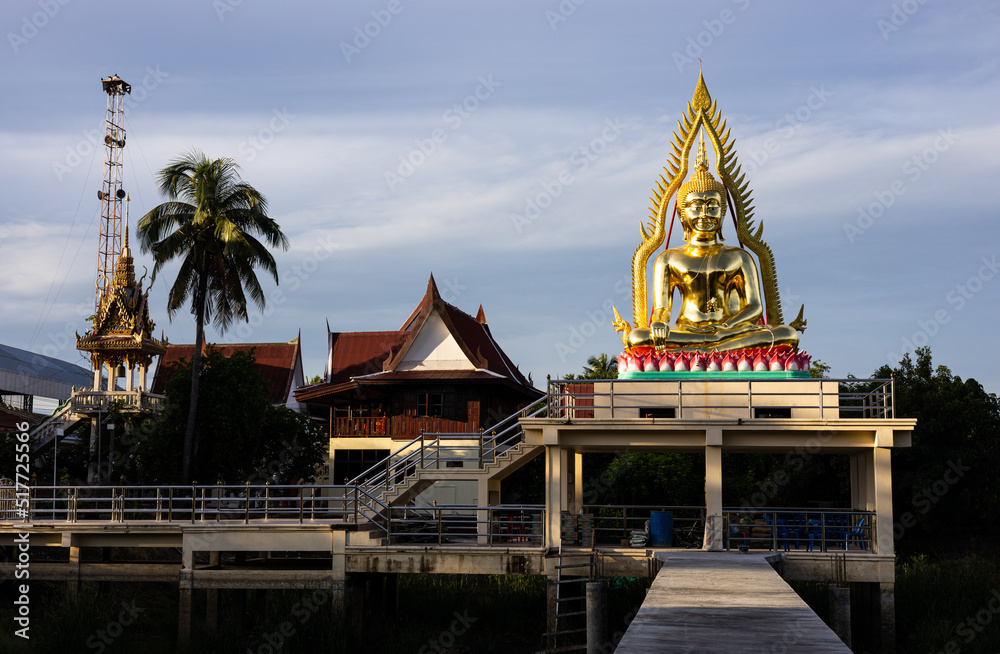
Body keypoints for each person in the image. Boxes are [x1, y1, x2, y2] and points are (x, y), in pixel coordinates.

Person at [627, 142, 798, 353]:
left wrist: (725, 328)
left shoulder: (739, 256)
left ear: (723, 212)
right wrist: (659, 323)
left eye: (712, 206)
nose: (704, 213)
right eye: (696, 206)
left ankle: (704, 349)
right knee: (638, 338)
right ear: (682, 215)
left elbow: (755, 308)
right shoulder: (668, 258)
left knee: (786, 334)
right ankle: (714, 349)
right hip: (687, 331)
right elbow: (662, 309)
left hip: (729, 331)